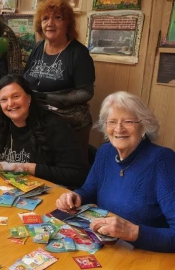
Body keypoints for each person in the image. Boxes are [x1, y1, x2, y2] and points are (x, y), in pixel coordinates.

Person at [56, 91, 175, 253]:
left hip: (145, 254)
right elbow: (89, 190)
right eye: (112, 122)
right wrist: (75, 197)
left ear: (143, 126)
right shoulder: (105, 152)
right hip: (109, 248)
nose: (119, 129)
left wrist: (132, 232)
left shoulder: (162, 160)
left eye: (128, 121)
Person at [0, 75, 89, 188]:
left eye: (15, 96)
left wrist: (31, 169)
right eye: (4, 100)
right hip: (9, 192)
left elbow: (78, 175)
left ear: (29, 98)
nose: (10, 104)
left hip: (50, 196)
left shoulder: (55, 126)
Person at [24, 0, 95, 164]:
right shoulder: (38, 48)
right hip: (37, 117)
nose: (50, 23)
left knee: (66, 172)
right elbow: (25, 78)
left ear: (67, 23)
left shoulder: (78, 53)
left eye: (57, 18)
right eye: (45, 18)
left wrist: (50, 98)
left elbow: (87, 92)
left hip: (69, 122)